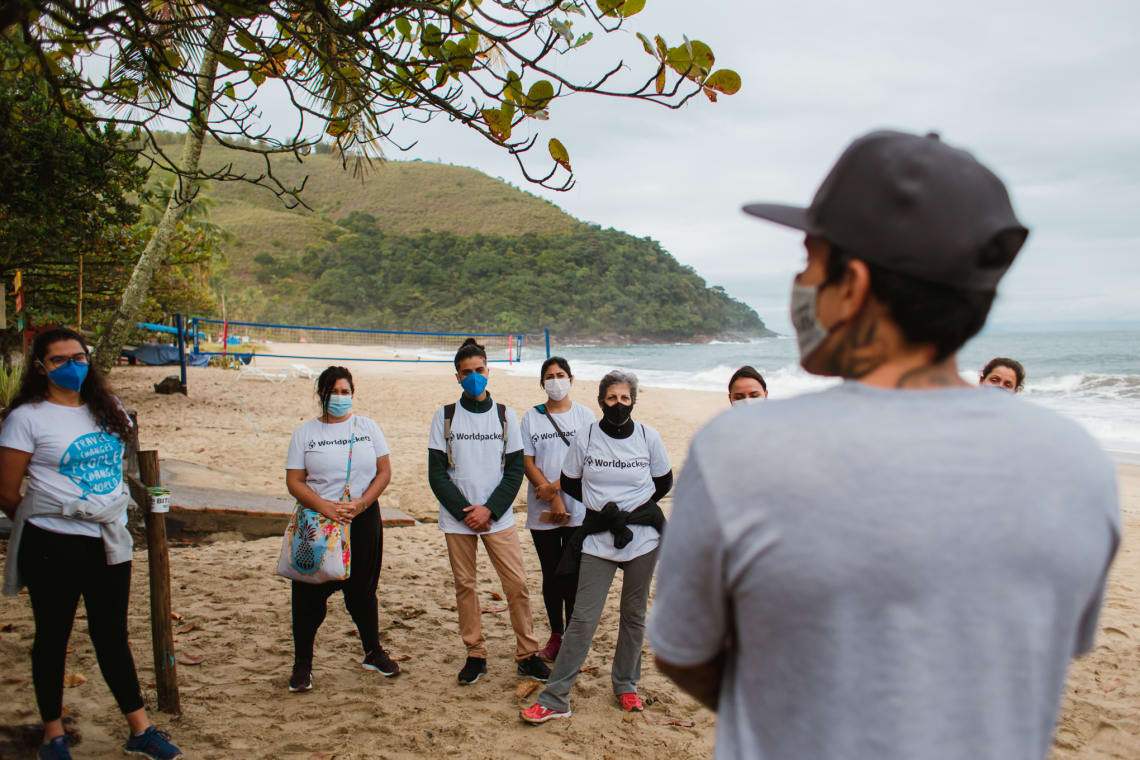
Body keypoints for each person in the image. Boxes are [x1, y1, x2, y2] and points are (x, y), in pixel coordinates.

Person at [648, 130, 1120, 759]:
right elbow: (1039, 651)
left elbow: (684, 651)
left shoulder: (743, 450)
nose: (800, 282)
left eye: (810, 260)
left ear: (855, 285)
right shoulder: (1078, 464)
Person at [0, 327, 182, 760]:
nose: (71, 367)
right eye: (60, 360)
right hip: (53, 540)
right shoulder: (27, 417)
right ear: (41, 366)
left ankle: (139, 729)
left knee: (112, 634)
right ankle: (52, 735)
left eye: (78, 357)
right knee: (53, 636)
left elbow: (119, 467)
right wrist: (46, 522)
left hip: (108, 537)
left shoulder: (108, 407)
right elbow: (7, 491)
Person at [520, 370, 673, 723]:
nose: (618, 404)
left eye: (624, 398)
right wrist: (601, 508)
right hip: (597, 538)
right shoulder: (586, 435)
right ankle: (556, 698)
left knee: (634, 616)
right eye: (611, 398)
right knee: (582, 619)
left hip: (641, 539)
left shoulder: (649, 436)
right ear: (601, 399)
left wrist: (632, 510)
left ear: (633, 400)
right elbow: (571, 481)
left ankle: (626, 685)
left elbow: (662, 481)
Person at [428, 338, 550, 685]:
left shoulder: (505, 415)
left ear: (488, 371)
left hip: (498, 518)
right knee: (466, 586)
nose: (473, 378)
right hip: (458, 519)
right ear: (457, 377)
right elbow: (436, 473)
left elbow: (514, 471)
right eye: (466, 373)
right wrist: (467, 511)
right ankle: (475, 653)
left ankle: (527, 654)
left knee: (517, 585)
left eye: (479, 371)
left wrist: (490, 510)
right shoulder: (446, 415)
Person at [284, 366, 400, 693]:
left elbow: (384, 471)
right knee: (308, 592)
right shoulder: (304, 434)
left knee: (363, 589)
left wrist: (362, 504)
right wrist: (326, 507)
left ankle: (373, 651)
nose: (339, 397)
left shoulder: (368, 427)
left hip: (362, 519)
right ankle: (302, 665)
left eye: (345, 391)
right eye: (333, 391)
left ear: (353, 393)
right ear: (321, 394)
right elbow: (295, 481)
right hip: (318, 521)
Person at [519, 357, 595, 662]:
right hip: (543, 510)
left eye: (560, 375)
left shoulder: (585, 416)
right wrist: (549, 496)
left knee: (573, 574)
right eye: (549, 376)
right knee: (551, 575)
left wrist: (557, 489)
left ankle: (574, 637)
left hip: (578, 507)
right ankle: (555, 634)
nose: (555, 380)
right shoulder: (531, 417)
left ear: (571, 380)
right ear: (542, 383)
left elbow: (588, 460)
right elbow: (527, 461)